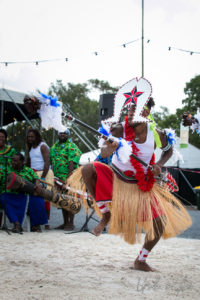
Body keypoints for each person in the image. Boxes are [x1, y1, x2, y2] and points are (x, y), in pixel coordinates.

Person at [67, 78, 192, 272]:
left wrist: (159, 164)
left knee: (160, 224)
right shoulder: (119, 129)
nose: (131, 112)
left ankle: (140, 260)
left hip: (139, 185)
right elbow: (105, 151)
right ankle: (106, 214)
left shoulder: (156, 133)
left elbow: (168, 150)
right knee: (87, 169)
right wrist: (110, 147)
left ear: (146, 112)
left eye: (136, 108)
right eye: (130, 108)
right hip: (115, 179)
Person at [0, 153, 48, 233]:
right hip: (10, 194)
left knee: (38, 199)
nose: (13, 162)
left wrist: (37, 184)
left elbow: (36, 178)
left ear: (22, 162)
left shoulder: (28, 170)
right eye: (12, 160)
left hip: (26, 194)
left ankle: (36, 225)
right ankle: (16, 224)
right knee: (2, 198)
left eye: (15, 161)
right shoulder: (6, 169)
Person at [50, 129, 82, 230]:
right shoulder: (54, 147)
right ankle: (65, 222)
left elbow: (72, 162)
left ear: (68, 135)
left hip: (69, 178)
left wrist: (69, 179)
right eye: (60, 133)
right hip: (58, 178)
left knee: (71, 200)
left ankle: (71, 223)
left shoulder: (71, 146)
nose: (62, 134)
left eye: (64, 133)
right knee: (62, 200)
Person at [26, 128, 54, 230]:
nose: (30, 138)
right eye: (29, 137)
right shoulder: (30, 147)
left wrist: (42, 178)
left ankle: (47, 222)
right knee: (35, 198)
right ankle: (37, 223)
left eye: (32, 136)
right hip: (33, 174)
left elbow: (47, 162)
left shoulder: (42, 146)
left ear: (37, 137)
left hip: (44, 173)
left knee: (45, 198)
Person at [0, 129, 16, 226]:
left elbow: (13, 164)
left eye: (2, 136)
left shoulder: (10, 151)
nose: (0, 138)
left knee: (2, 202)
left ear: (5, 138)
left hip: (5, 180)